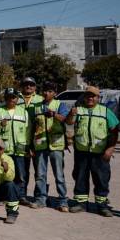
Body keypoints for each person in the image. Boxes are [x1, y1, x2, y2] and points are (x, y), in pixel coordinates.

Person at [67, 86, 118, 216]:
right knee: (80, 177)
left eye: (93, 96)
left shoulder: (106, 111)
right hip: (81, 151)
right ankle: (81, 203)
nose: (90, 98)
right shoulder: (78, 110)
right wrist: (71, 115)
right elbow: (69, 123)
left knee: (101, 179)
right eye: (88, 96)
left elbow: (114, 130)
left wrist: (110, 148)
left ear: (98, 98)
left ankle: (102, 205)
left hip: (100, 153)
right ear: (84, 97)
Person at [30, 81, 68, 211]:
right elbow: (32, 127)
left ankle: (62, 201)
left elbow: (65, 119)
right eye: (45, 91)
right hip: (40, 145)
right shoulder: (36, 107)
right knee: (40, 174)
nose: (46, 93)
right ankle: (41, 199)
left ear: (55, 93)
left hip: (56, 145)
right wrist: (31, 145)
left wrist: (54, 114)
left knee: (59, 174)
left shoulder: (60, 105)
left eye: (50, 91)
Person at [0, 88, 32, 205]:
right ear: (5, 98)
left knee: (21, 174)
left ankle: (21, 196)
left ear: (17, 98)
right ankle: (2, 197)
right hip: (4, 149)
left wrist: (28, 146)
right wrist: (0, 124)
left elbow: (28, 130)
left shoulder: (23, 112)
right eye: (9, 97)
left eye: (13, 97)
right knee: (3, 173)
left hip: (20, 148)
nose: (11, 99)